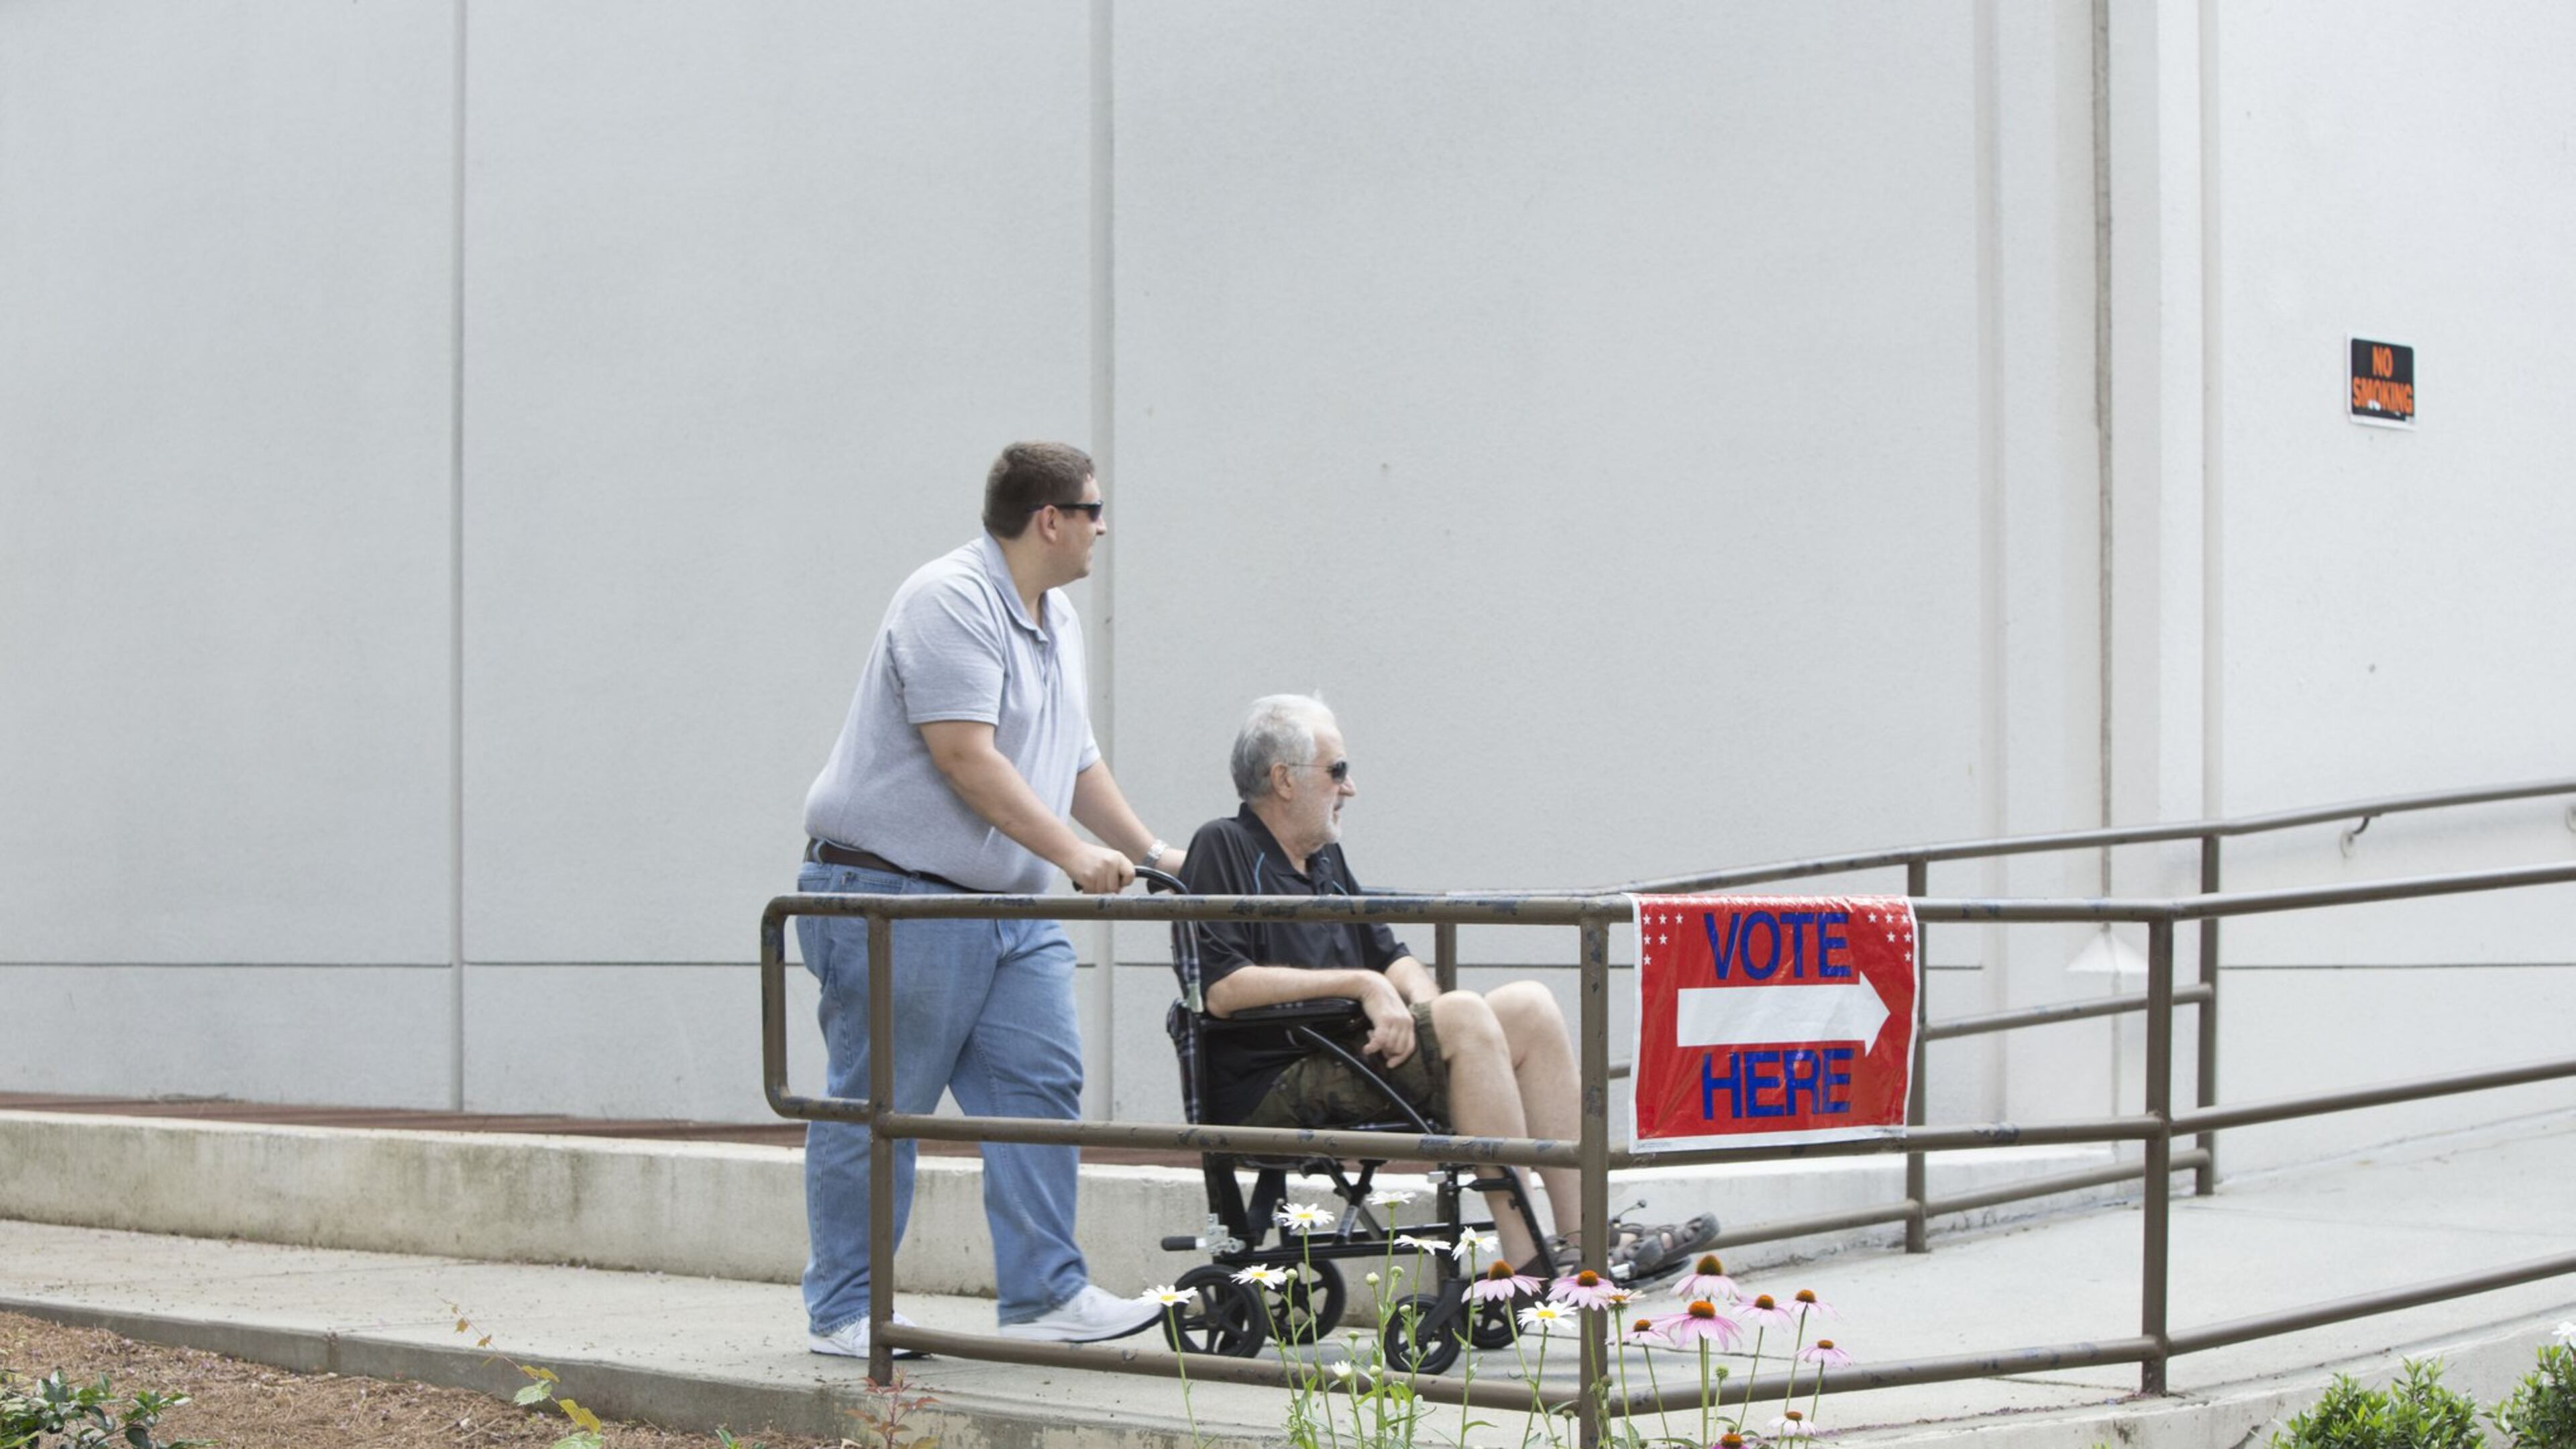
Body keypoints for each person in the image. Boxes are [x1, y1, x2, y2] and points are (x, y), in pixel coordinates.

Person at [796, 441, 1181, 1358]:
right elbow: (966, 756)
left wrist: (1152, 851)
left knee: (1041, 1091)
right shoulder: (949, 600)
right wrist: (1074, 856)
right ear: (1050, 518)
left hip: (1009, 909)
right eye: (1094, 510)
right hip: (894, 895)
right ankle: (846, 1312)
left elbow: (1072, 758)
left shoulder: (1059, 619)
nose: (1102, 528)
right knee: (883, 1106)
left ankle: (1047, 1293)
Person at [1177, 694, 1717, 1281]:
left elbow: (1393, 957)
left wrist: (1428, 1016)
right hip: (1272, 1081)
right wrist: (1365, 986)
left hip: (1351, 1055)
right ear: (1283, 779)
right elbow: (1221, 988)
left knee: (1527, 1007)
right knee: (1462, 1016)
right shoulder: (1222, 845)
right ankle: (1530, 1260)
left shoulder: (1324, 860)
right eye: (1338, 771)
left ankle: (1587, 1240)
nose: (1349, 788)